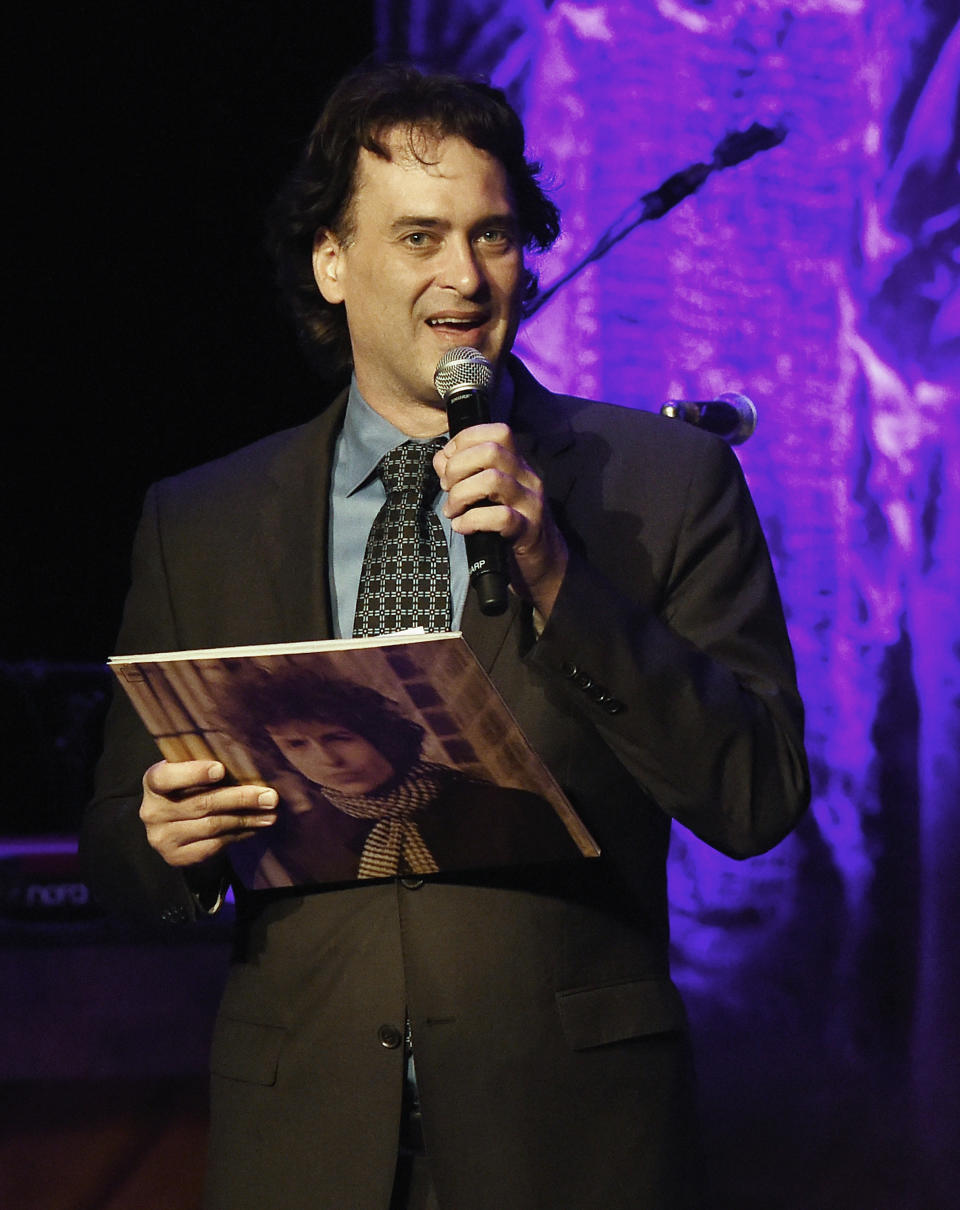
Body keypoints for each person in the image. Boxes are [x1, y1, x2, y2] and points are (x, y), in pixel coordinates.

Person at [82, 65, 810, 1210]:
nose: (464, 277)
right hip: (303, 1141)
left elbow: (756, 795)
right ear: (333, 261)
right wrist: (162, 844)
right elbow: (121, 849)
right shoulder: (203, 520)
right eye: (418, 236)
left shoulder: (666, 486)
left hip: (574, 1143)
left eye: (495, 236)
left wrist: (563, 576)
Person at [211, 673, 579, 885]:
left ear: (381, 735)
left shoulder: (509, 812)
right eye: (296, 745)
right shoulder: (299, 846)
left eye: (338, 737)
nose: (328, 760)